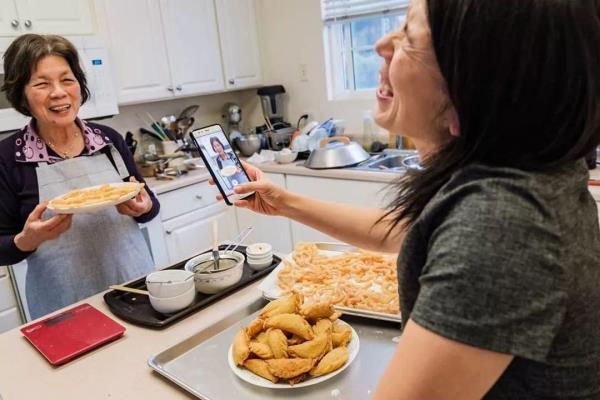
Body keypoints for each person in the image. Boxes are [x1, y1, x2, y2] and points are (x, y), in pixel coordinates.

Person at [211, 0, 600, 397]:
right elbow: (405, 233)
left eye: (409, 38)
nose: (382, 44)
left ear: (472, 91)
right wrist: (284, 202)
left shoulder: (503, 227)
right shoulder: (522, 172)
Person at [0, 34, 160, 319]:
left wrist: (144, 207)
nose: (59, 92)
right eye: (42, 84)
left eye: (67, 79)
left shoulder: (108, 140)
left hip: (136, 291)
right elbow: (2, 248)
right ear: (22, 93)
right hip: (65, 309)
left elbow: (148, 206)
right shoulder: (10, 158)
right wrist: (27, 240)